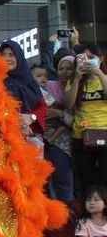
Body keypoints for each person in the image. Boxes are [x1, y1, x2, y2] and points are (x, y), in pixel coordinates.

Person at [64, 45, 107, 199]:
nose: (87, 61)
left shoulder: (104, 76)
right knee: (85, 178)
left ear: (100, 59)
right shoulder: (75, 80)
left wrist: (100, 73)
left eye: (91, 58)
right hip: (81, 136)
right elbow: (68, 105)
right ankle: (88, 215)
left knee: (104, 177)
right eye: (84, 58)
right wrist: (76, 78)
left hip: (104, 133)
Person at [0, 41, 47, 149]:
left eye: (11, 55)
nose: (6, 59)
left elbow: (42, 106)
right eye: (3, 55)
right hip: (4, 139)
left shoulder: (29, 80)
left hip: (30, 138)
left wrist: (31, 117)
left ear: (19, 57)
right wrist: (17, 122)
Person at [37, 59, 74, 204]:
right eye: (61, 68)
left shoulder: (78, 89)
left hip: (64, 146)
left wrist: (59, 114)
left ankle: (69, 221)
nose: (64, 72)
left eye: (69, 68)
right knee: (43, 187)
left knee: (64, 186)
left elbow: (75, 120)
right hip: (42, 143)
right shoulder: (47, 89)